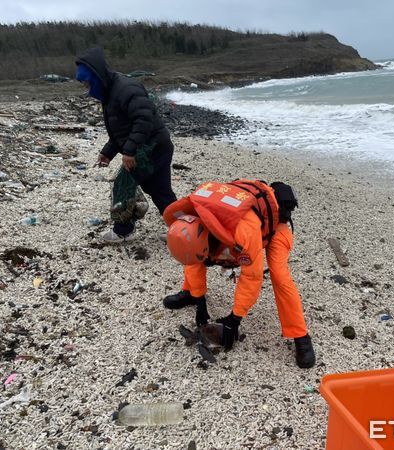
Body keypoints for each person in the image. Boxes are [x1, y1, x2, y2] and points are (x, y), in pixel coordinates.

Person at [162, 179, 316, 369]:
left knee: (280, 275)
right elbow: (193, 261)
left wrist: (235, 318)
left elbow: (252, 277)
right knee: (195, 257)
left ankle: (301, 336)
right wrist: (199, 299)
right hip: (227, 223)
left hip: (273, 226)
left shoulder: (244, 232)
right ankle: (190, 293)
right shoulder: (190, 219)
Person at [75, 47, 177, 243]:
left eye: (86, 83)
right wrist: (107, 152)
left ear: (96, 76)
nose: (86, 88)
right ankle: (183, 229)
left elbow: (143, 120)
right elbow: (121, 130)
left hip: (151, 147)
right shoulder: (109, 91)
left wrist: (129, 152)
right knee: (160, 190)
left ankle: (124, 231)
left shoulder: (125, 88)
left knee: (123, 185)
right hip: (154, 145)